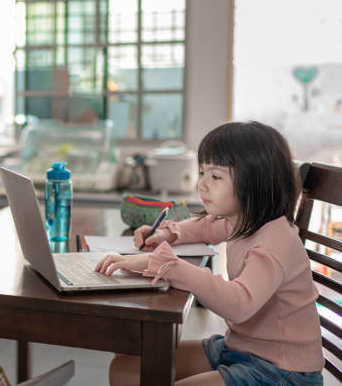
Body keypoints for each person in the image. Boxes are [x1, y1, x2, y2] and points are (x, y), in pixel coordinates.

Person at [96, 121, 324, 386]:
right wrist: (167, 234)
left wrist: (168, 266)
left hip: (283, 371)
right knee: (126, 369)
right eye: (202, 172)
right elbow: (206, 226)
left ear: (254, 182)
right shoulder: (243, 218)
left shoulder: (275, 241)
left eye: (215, 177)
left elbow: (240, 304)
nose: (202, 185)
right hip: (239, 349)